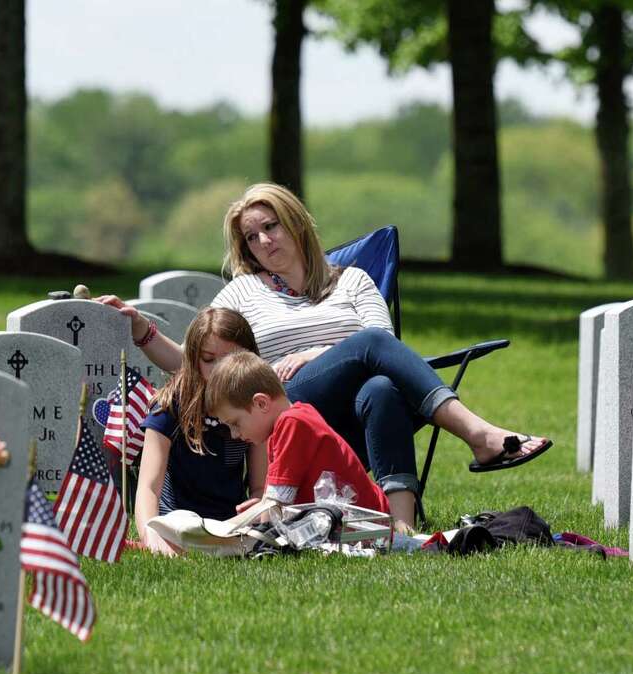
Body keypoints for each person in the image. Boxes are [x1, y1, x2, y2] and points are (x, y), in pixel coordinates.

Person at [96, 181, 550, 529]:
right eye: (252, 238)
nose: (264, 242)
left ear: (294, 221)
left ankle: (400, 527)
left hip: (355, 410)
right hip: (285, 404)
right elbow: (199, 364)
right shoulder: (243, 291)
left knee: (380, 388)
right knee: (369, 352)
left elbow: (385, 342)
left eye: (270, 227)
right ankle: (479, 435)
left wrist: (320, 350)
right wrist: (143, 331)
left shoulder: (354, 282)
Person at [135, 308, 267, 556]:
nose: (219, 369)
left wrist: (257, 509)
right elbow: (148, 488)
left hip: (230, 524)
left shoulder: (256, 406)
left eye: (230, 359)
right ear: (194, 359)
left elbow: (260, 486)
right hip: (174, 522)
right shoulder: (170, 405)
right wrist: (152, 535)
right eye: (209, 359)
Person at [204, 349, 390, 517]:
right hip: (356, 519)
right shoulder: (288, 423)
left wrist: (227, 529)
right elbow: (276, 505)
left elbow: (274, 509)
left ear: (261, 403)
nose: (235, 434)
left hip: (366, 524)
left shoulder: (291, 423)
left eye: (235, 423)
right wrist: (260, 508)